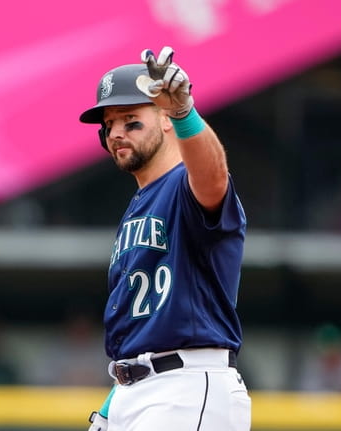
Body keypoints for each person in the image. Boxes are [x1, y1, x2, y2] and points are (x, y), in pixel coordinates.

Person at [78, 46, 250, 430]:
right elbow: (143, 325)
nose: (116, 133)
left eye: (131, 120)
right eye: (109, 125)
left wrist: (184, 112)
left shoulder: (183, 186)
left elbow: (214, 177)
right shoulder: (141, 202)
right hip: (135, 392)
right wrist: (111, 405)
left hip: (185, 388)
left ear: (165, 120)